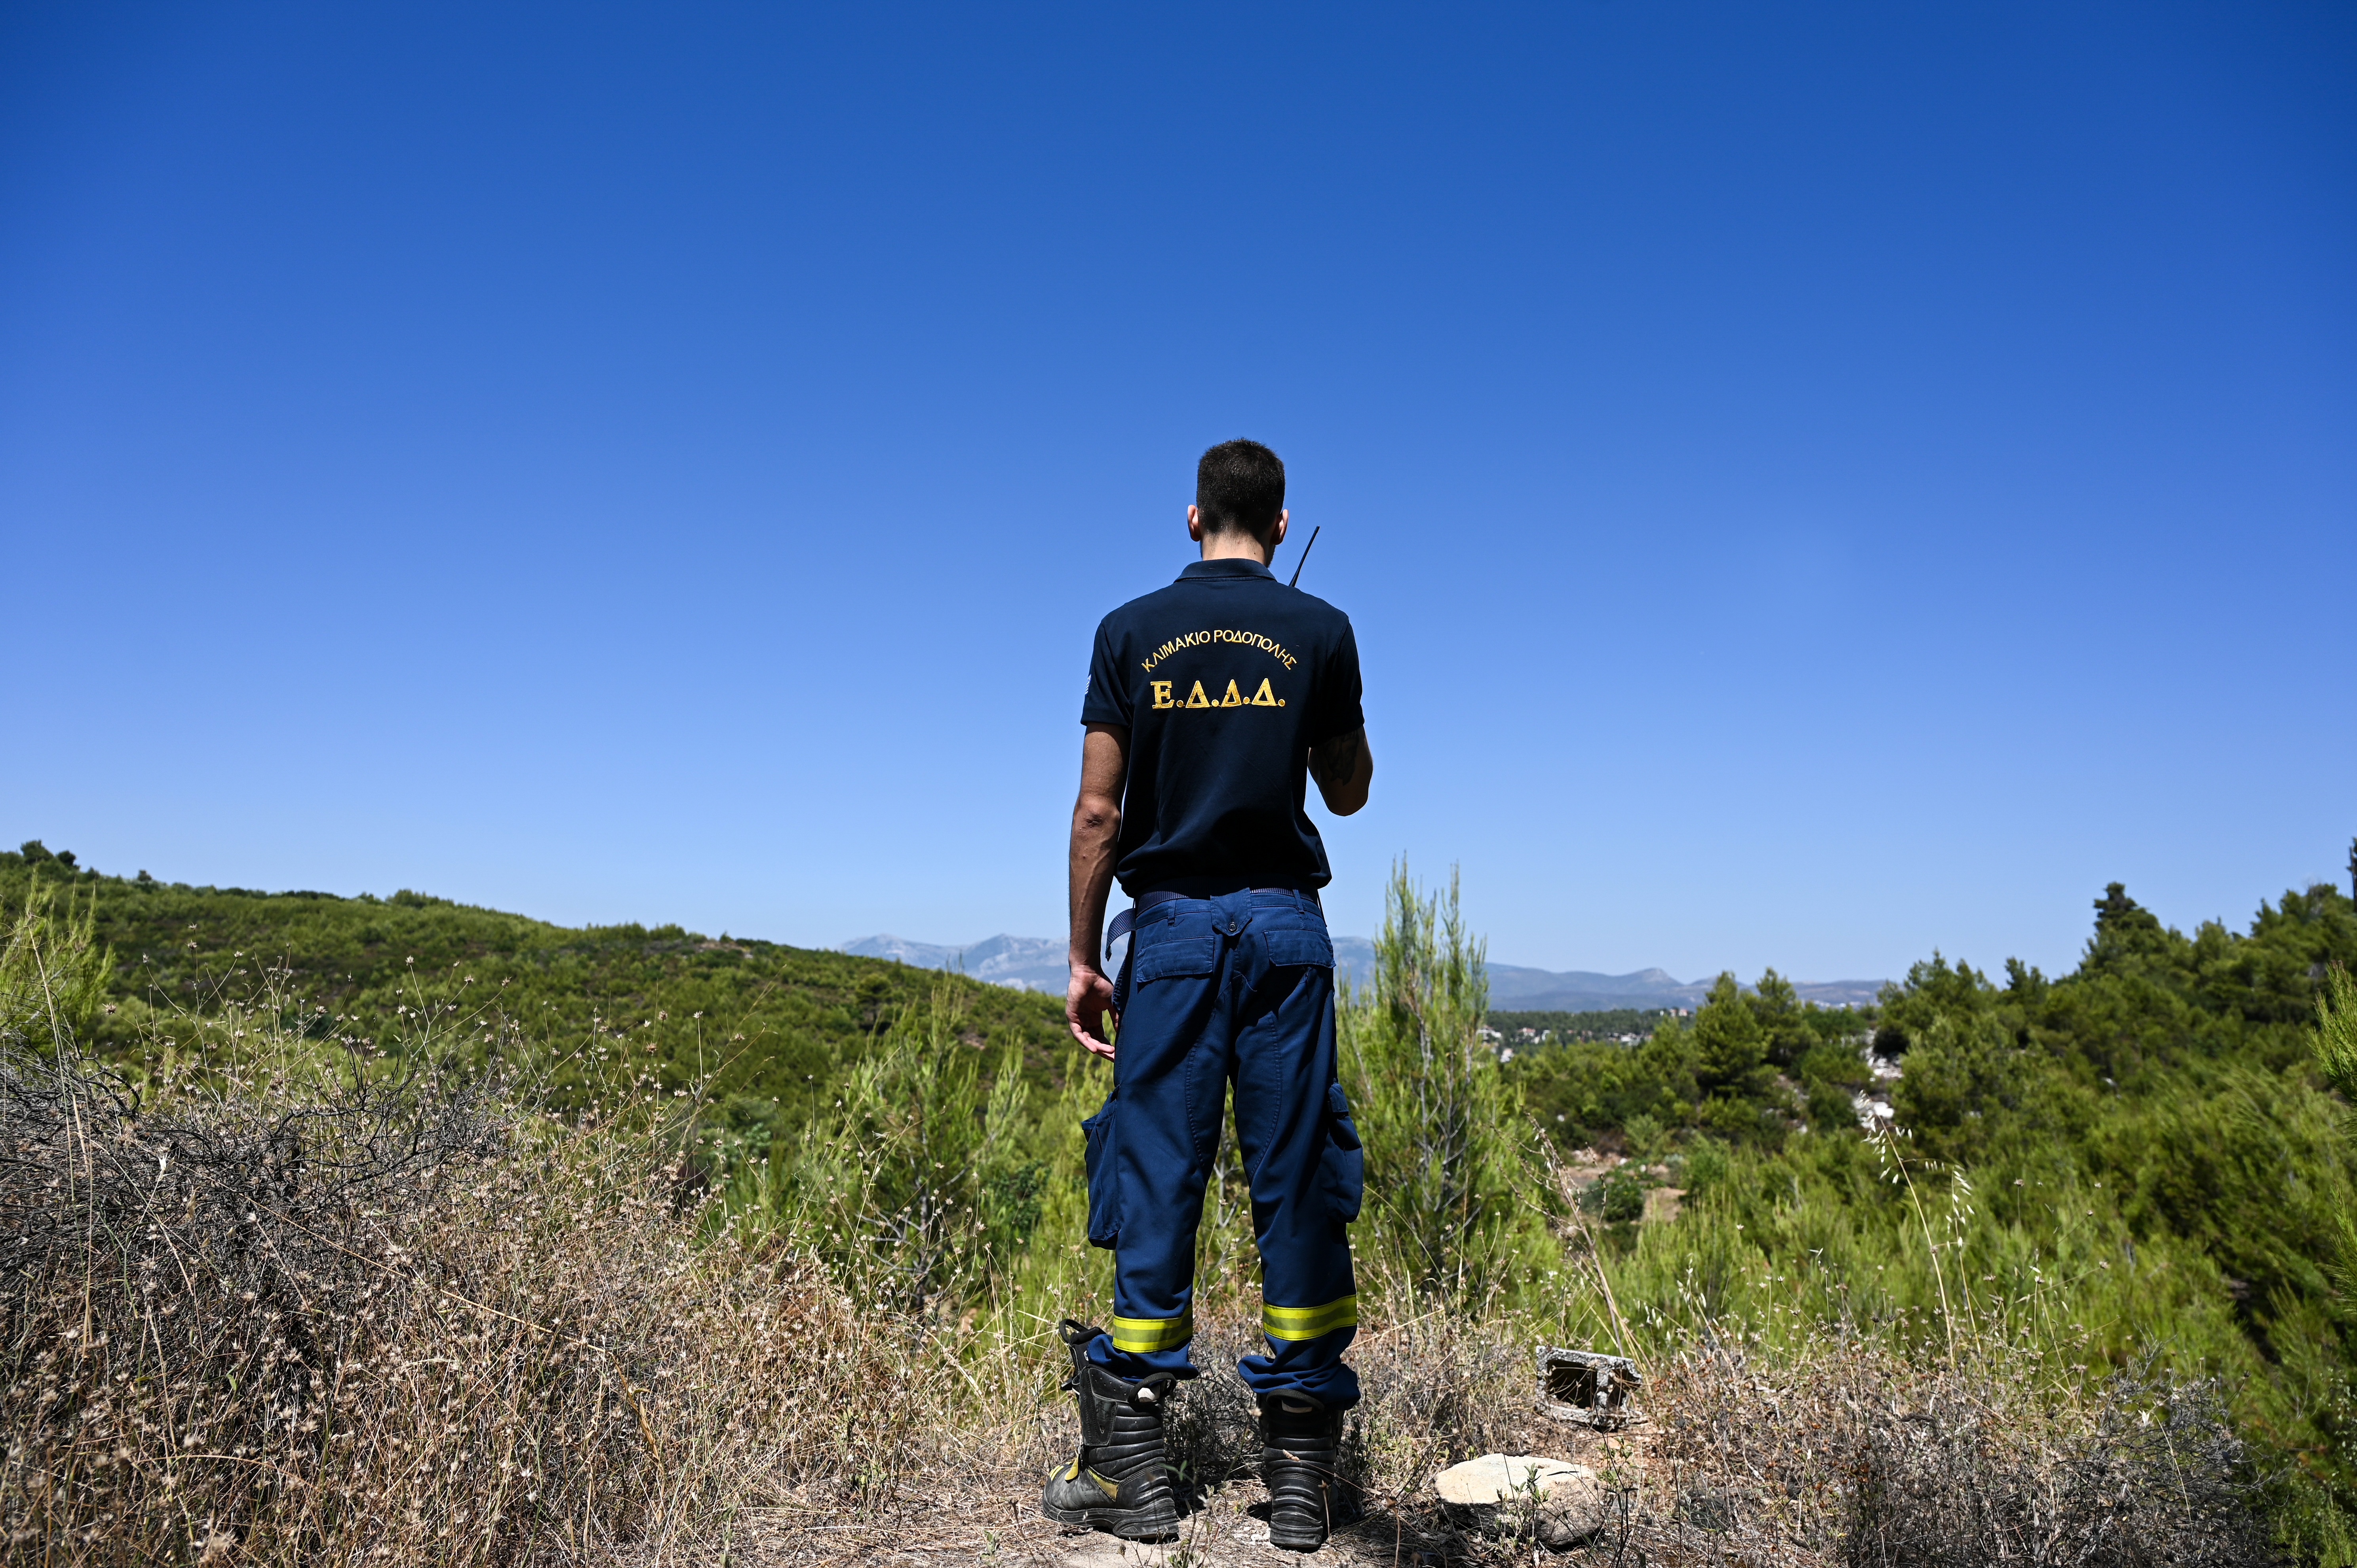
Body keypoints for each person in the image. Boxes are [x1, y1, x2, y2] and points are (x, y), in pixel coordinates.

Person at [1038, 439, 1374, 1552]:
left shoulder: (1128, 631)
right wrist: (1304, 703)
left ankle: (1131, 1474)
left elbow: (1098, 815)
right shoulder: (1318, 629)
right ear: (1280, 523)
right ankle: (1296, 1484)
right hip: (1284, 927)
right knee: (1295, 1182)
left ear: (1193, 519)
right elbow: (1350, 788)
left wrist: (1087, 960)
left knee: (1155, 1174)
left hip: (1172, 932)